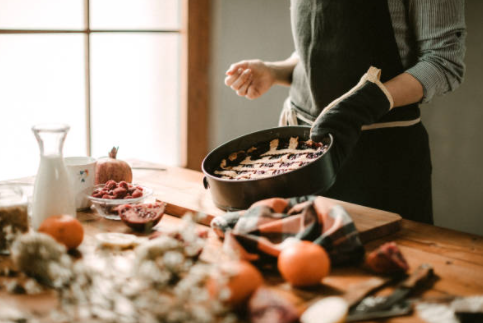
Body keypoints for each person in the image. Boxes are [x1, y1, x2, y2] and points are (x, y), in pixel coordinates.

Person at [224, 0, 466, 224]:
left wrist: (362, 105)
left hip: (381, 160)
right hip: (296, 159)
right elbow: (319, 47)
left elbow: (443, 61)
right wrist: (275, 72)